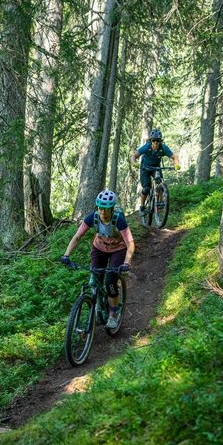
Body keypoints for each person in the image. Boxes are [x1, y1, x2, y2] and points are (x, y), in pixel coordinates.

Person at [59, 189, 134, 330]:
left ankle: (112, 314)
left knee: (110, 280)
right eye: (100, 208)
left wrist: (126, 262)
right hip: (99, 249)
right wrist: (66, 255)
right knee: (94, 279)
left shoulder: (119, 220)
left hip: (118, 250)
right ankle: (97, 308)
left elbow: (130, 243)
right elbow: (77, 237)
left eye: (106, 209)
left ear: (111, 209)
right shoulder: (92, 218)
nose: (102, 213)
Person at [132, 128, 180, 215]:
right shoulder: (146, 147)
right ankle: (142, 207)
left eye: (158, 141)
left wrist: (176, 165)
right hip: (145, 168)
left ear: (160, 141)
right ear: (151, 141)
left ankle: (159, 202)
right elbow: (134, 156)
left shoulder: (163, 148)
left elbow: (174, 157)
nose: (156, 143)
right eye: (154, 140)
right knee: (146, 188)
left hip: (156, 168)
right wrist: (134, 163)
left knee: (160, 182)